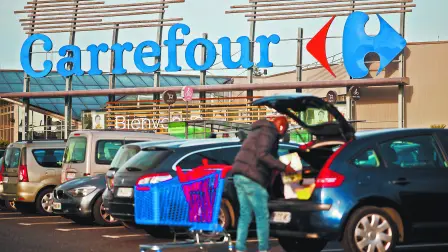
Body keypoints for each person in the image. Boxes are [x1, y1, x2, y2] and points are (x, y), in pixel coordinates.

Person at [232, 116, 296, 252]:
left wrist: (278, 163)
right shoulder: (269, 132)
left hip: (239, 174)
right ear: (281, 127)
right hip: (252, 177)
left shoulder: (258, 130)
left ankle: (240, 248)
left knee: (245, 215)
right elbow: (263, 155)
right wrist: (285, 168)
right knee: (262, 215)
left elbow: (262, 153)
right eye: (286, 129)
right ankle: (263, 249)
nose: (284, 133)